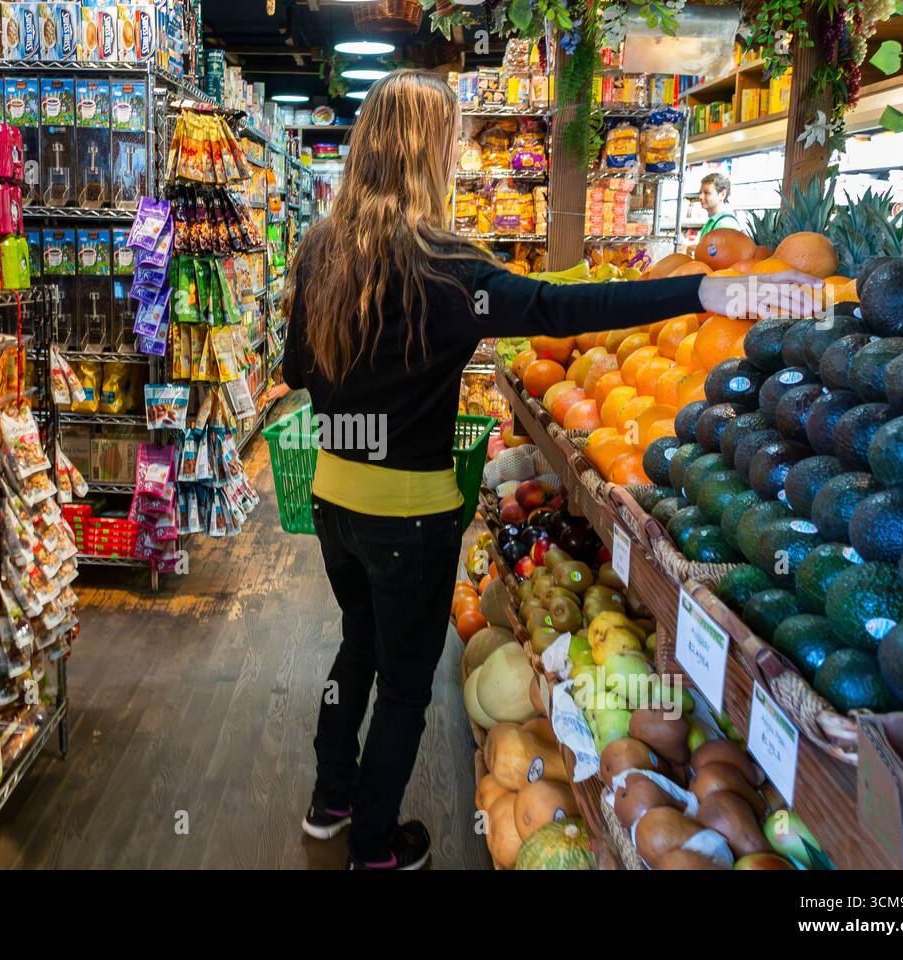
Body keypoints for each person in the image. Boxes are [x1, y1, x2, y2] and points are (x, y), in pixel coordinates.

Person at [279, 70, 815, 870]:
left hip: (333, 498)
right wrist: (700, 288)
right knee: (403, 683)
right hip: (411, 514)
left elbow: (296, 370)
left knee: (358, 646)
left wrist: (363, 385)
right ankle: (376, 844)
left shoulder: (321, 249)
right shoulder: (448, 266)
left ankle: (331, 798)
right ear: (434, 155)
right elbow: (563, 310)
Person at [697, 172, 745, 238]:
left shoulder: (726, 225)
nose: (700, 197)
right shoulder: (712, 222)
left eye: (707, 193)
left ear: (722, 195)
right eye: (700, 193)